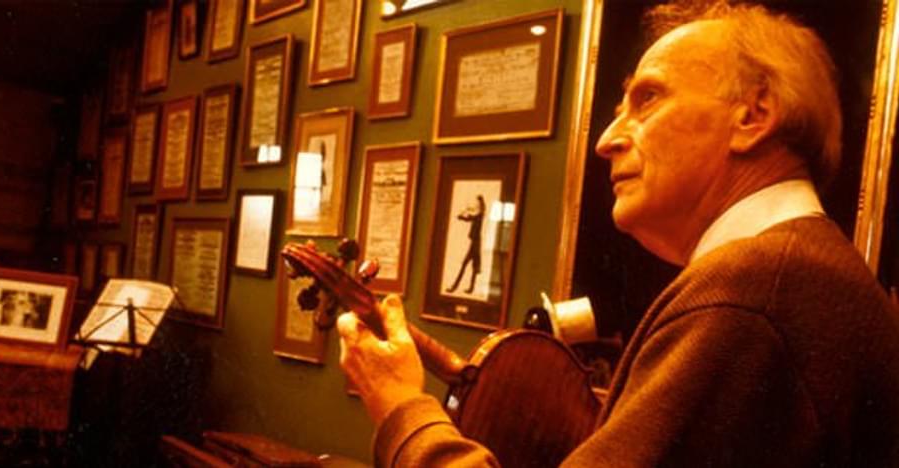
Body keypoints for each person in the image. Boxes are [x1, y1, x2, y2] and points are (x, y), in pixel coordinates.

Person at [336, 1, 899, 466]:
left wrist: (401, 408)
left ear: (753, 115)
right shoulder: (798, 274)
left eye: (647, 99)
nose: (607, 140)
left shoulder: (750, 297)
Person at [446, 194, 485, 294]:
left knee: (466, 265)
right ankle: (469, 288)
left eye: (477, 203)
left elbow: (469, 217)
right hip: (475, 243)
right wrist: (465, 212)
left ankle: (455, 287)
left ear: (480, 205)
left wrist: (467, 210)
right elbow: (466, 217)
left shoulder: (479, 216)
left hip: (475, 243)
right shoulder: (478, 215)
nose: (476, 205)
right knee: (473, 267)